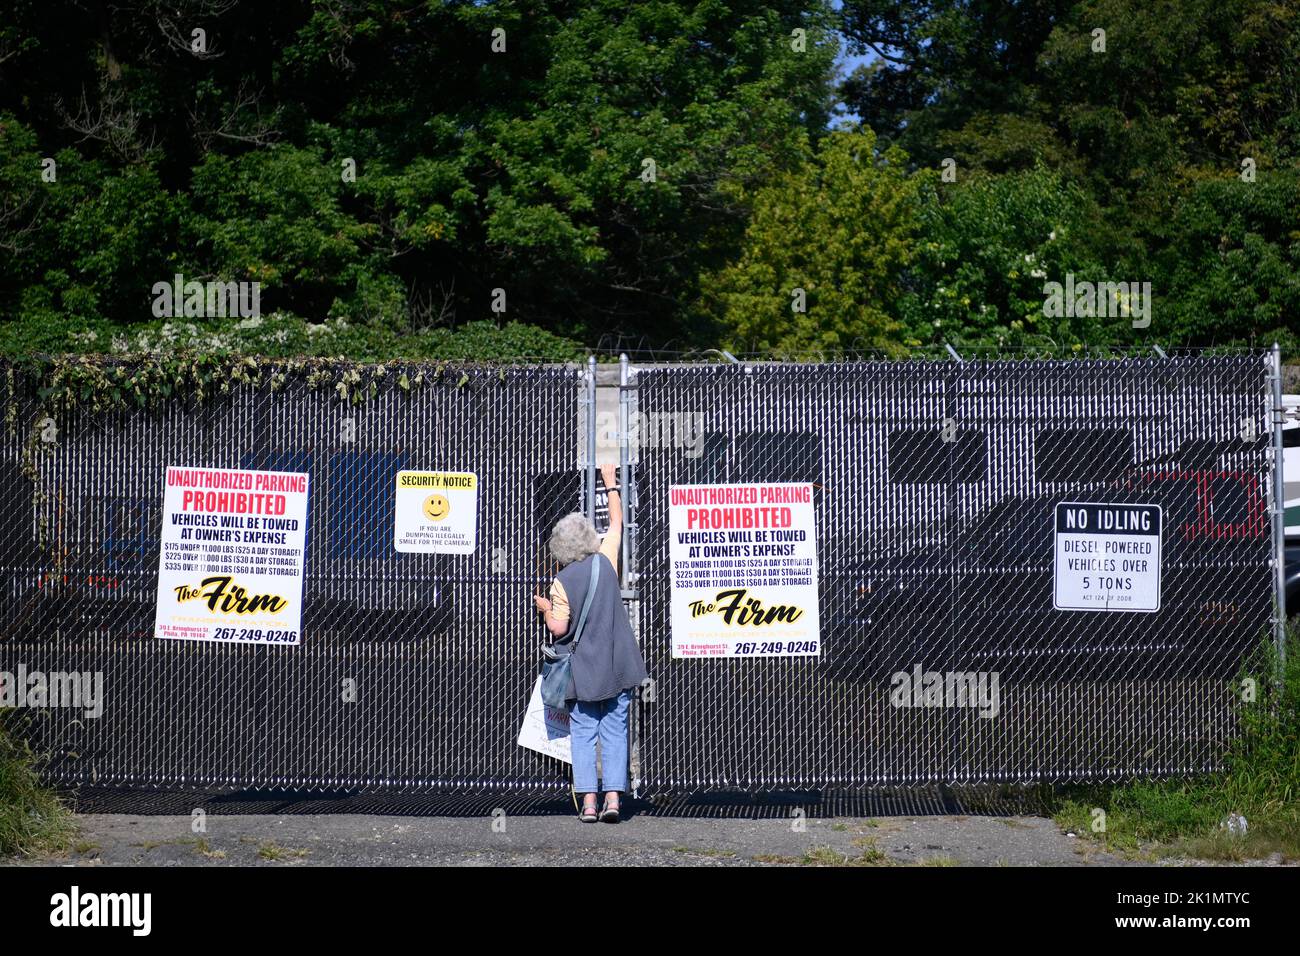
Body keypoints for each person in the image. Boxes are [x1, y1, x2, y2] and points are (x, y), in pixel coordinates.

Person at [533, 463, 648, 823]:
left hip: (582, 671)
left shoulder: (562, 581)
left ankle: (589, 805)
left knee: (583, 733)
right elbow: (617, 525)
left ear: (560, 548)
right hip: (616, 664)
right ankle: (614, 800)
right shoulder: (607, 562)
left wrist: (546, 608)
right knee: (616, 731)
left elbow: (559, 627)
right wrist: (611, 483)